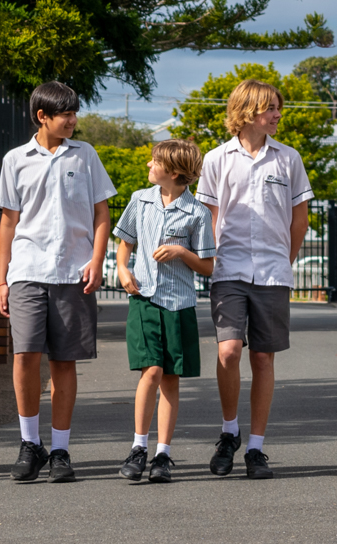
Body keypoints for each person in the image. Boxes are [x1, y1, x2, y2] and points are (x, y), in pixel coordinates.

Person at [0, 81, 116, 483]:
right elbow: (9, 222)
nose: (73, 120)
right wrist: (3, 279)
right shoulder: (15, 159)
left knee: (64, 361)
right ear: (42, 116)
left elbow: (102, 213)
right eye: (65, 114)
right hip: (26, 271)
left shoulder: (86, 156)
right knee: (25, 356)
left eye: (74, 112)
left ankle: (60, 449)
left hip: (73, 272)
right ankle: (30, 444)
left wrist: (97, 260)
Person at [196, 79, 313, 479]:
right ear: (248, 111)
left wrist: (285, 259)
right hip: (228, 270)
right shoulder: (216, 159)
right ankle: (230, 433)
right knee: (228, 351)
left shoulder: (289, 159)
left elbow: (301, 220)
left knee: (262, 357)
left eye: (279, 108)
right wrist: (207, 261)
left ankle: (257, 449)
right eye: (271, 108)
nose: (278, 114)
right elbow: (208, 217)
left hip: (272, 273)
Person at [114, 139, 217, 484]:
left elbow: (207, 266)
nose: (148, 165)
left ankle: (162, 454)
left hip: (179, 303)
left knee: (171, 378)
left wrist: (181, 253)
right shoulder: (139, 200)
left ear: (173, 173)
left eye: (154, 162)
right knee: (152, 370)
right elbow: (125, 241)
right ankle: (138, 447)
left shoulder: (197, 213)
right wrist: (122, 269)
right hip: (143, 298)